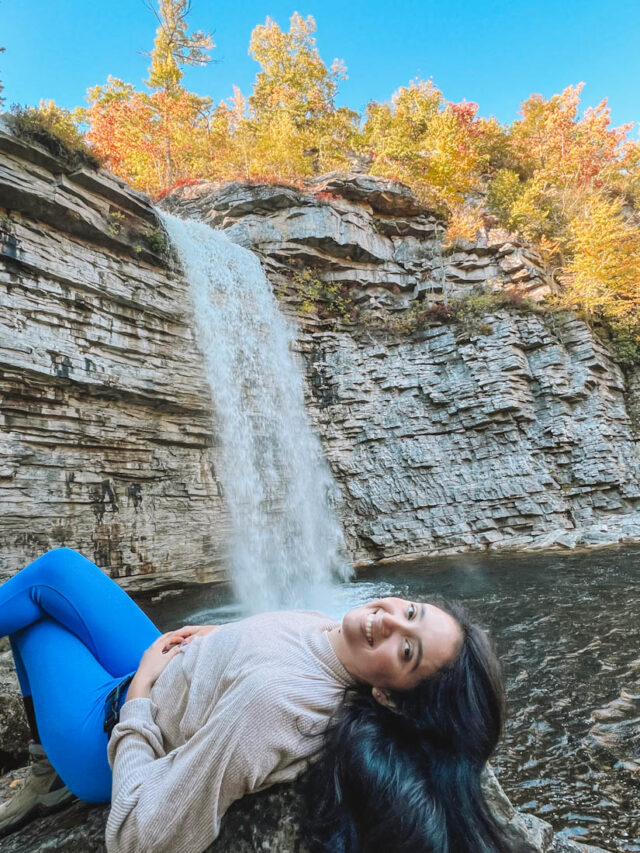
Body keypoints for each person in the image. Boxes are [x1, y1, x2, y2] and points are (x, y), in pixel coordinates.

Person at [0, 548, 507, 852]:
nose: (391, 619)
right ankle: (45, 768)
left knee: (35, 615)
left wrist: (137, 700)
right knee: (60, 569)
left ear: (389, 699)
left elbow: (139, 837)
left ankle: (54, 767)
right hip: (158, 666)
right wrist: (219, 638)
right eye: (413, 611)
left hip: (102, 733)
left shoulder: (273, 706)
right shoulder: (333, 635)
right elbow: (276, 646)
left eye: (407, 651)